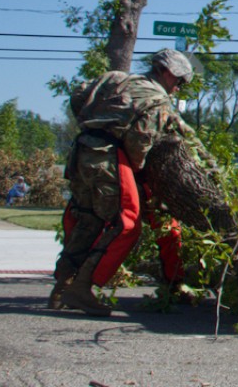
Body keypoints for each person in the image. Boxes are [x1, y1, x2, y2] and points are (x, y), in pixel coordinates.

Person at [49, 49, 194, 316]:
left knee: (87, 219)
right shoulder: (156, 99)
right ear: (166, 72)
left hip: (81, 152)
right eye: (179, 81)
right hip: (108, 157)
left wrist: (95, 122)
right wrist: (138, 173)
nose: (178, 88)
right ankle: (83, 287)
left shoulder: (115, 78)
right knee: (126, 223)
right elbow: (140, 143)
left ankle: (61, 288)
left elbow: (79, 94)